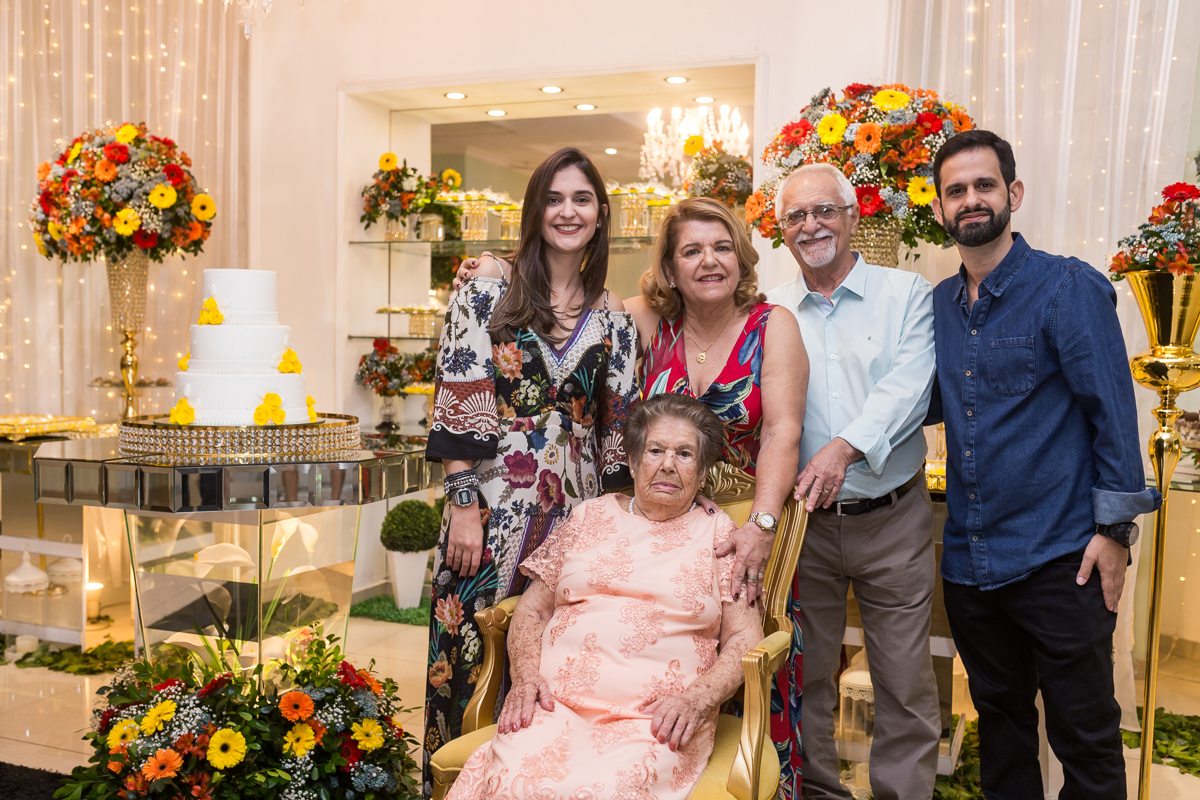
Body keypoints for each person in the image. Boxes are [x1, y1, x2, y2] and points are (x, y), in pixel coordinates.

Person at [926, 129, 1160, 800]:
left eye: (984, 186)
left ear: (1013, 194)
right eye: (956, 191)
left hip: (1062, 558)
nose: (971, 200)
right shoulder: (942, 305)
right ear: (941, 210)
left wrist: (1113, 536)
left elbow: (1114, 416)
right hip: (972, 564)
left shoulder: (1067, 287)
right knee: (1000, 728)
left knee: (1085, 738)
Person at [422, 147, 639, 798]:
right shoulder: (488, 286)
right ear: (534, 210)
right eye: (554, 198)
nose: (567, 211)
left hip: (575, 519)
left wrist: (615, 539)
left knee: (557, 670)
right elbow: (458, 394)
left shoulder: (616, 318)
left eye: (581, 199)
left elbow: (619, 438)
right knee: (467, 665)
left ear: (601, 214)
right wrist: (463, 504)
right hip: (487, 509)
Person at [445, 394, 765, 800]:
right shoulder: (587, 517)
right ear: (632, 461)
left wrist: (697, 700)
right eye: (655, 450)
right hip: (553, 706)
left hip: (654, 720)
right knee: (512, 781)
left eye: (685, 454)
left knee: (603, 791)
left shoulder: (720, 536)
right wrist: (526, 677)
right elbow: (532, 609)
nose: (668, 464)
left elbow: (746, 639)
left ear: (702, 472)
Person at [766, 162, 940, 800]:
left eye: (824, 211)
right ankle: (816, 792)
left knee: (903, 681)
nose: (811, 225)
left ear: (853, 215)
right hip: (800, 526)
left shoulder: (908, 294)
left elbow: (910, 386)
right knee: (803, 675)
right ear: (782, 230)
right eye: (796, 216)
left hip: (892, 518)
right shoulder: (770, 310)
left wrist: (843, 449)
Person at [632, 196, 806, 795]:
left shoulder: (772, 324)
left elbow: (784, 429)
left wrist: (760, 526)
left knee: (744, 658)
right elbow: (569, 298)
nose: (709, 261)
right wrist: (498, 264)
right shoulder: (650, 324)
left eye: (722, 247)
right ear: (670, 268)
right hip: (662, 526)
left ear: (740, 257)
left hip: (744, 526)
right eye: (692, 251)